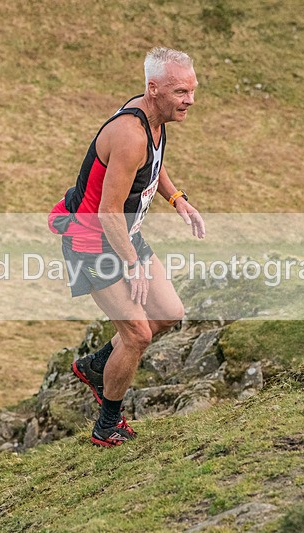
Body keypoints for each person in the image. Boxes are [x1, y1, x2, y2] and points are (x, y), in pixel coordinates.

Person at [48, 47, 205, 447]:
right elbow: (107, 212)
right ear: (154, 89)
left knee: (169, 313)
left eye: (192, 89)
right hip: (92, 242)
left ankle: (98, 364)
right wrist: (132, 265)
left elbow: (153, 165)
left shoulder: (154, 119)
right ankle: (107, 425)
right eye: (181, 92)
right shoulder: (129, 134)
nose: (190, 100)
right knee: (137, 334)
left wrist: (177, 199)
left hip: (123, 235)